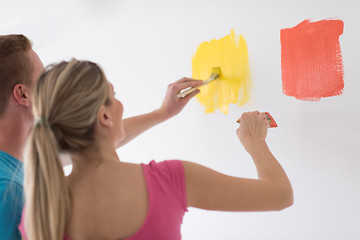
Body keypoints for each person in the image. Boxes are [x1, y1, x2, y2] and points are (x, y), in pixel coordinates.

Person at [19, 59, 293, 240]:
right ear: (104, 117)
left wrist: (162, 113)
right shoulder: (169, 180)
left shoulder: (36, 212)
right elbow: (281, 196)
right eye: (114, 96)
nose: (119, 103)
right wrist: (255, 143)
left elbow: (88, 144)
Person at [0, 34, 44, 240]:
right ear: (23, 94)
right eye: (43, 81)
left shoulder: (14, 166)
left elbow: (91, 146)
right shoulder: (11, 193)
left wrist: (158, 115)